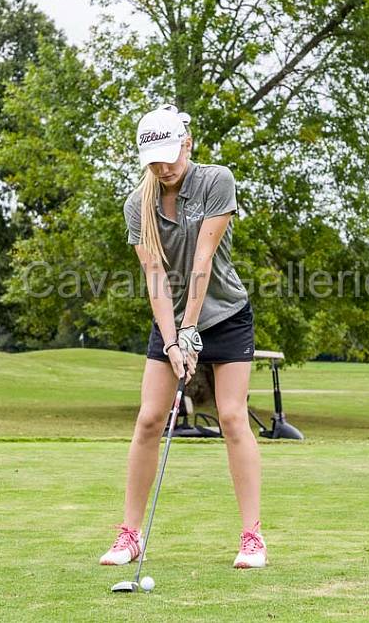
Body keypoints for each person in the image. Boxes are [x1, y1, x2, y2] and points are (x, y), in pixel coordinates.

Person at [99, 104, 267, 569]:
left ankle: (252, 537)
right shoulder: (138, 205)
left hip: (226, 315)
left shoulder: (217, 181)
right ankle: (130, 534)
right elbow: (155, 277)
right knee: (150, 418)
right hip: (170, 318)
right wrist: (173, 341)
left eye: (171, 155)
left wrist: (192, 330)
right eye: (155, 159)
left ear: (187, 144)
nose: (165, 166)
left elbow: (203, 260)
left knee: (232, 416)